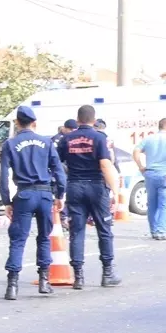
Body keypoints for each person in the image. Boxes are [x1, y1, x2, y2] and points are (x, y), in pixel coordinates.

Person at [0, 106, 67, 300]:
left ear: (17, 123)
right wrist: (60, 195)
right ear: (34, 123)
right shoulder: (46, 142)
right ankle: (44, 281)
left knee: (18, 239)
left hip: (25, 194)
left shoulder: (10, 144)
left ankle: (12, 285)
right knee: (44, 237)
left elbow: (3, 177)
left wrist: (6, 201)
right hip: (45, 195)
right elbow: (59, 172)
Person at [56, 105, 122, 289]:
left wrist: (60, 188)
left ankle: (78, 276)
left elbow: (57, 162)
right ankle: (107, 273)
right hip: (96, 186)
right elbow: (105, 165)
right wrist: (115, 192)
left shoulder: (67, 139)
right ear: (94, 120)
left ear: (77, 120)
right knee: (104, 229)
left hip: (75, 186)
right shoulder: (100, 138)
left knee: (77, 231)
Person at [133, 118, 166, 240]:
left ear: (159, 127)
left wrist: (140, 166)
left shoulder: (148, 139)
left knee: (152, 204)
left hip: (150, 173)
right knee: (164, 205)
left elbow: (136, 151)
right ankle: (160, 232)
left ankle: (153, 230)